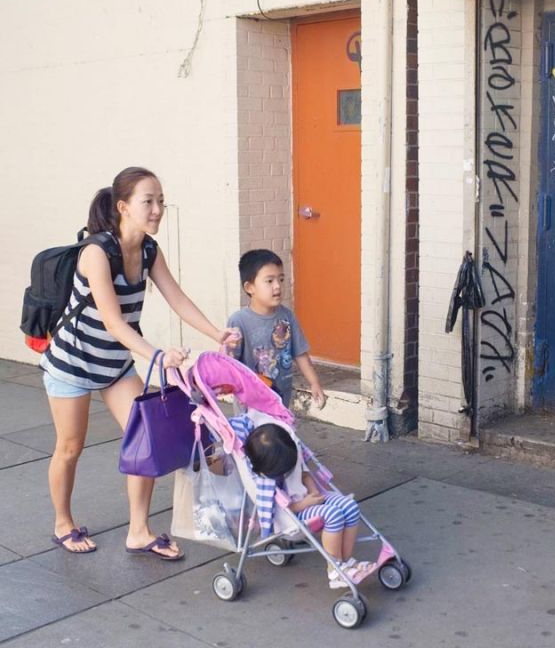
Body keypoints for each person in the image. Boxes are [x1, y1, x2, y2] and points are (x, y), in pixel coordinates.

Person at [40, 167, 240, 559]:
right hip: (72, 364)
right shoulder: (97, 253)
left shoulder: (149, 250)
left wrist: (216, 332)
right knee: (70, 446)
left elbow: (177, 298)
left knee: (145, 438)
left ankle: (138, 531)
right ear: (123, 207)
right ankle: (63, 523)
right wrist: (158, 356)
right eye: (148, 201)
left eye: (160, 201)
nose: (157, 209)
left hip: (114, 366)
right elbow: (114, 323)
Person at [244, 422, 373, 589]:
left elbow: (305, 475)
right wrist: (305, 503)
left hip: (309, 500)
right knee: (333, 515)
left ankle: (346, 561)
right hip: (292, 516)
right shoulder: (265, 483)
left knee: (350, 506)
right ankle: (335, 569)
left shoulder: (290, 455)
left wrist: (314, 492)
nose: (288, 471)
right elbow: (281, 510)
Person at [226, 249, 325, 409]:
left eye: (281, 279)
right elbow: (229, 363)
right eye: (269, 281)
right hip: (250, 405)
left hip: (281, 400)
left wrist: (314, 383)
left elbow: (300, 353)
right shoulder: (238, 321)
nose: (277, 286)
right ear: (250, 287)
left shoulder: (287, 317)